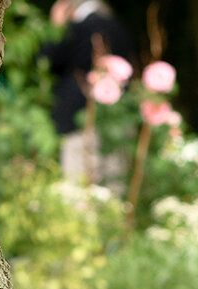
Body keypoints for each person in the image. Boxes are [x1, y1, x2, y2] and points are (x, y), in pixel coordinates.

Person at [39, 0, 135, 182]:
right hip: (116, 120)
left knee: (78, 186)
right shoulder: (118, 27)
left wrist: (56, 27)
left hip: (78, 118)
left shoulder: (75, 29)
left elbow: (46, 62)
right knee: (114, 183)